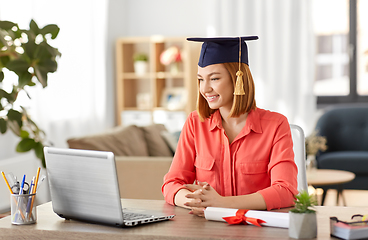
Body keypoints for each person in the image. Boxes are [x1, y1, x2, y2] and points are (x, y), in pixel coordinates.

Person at [161, 36, 298, 217]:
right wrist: (199, 202)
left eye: (214, 78)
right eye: (201, 79)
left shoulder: (276, 125)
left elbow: (286, 191)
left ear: (238, 79)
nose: (205, 89)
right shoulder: (195, 123)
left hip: (256, 228)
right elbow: (172, 184)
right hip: (206, 228)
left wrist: (222, 204)